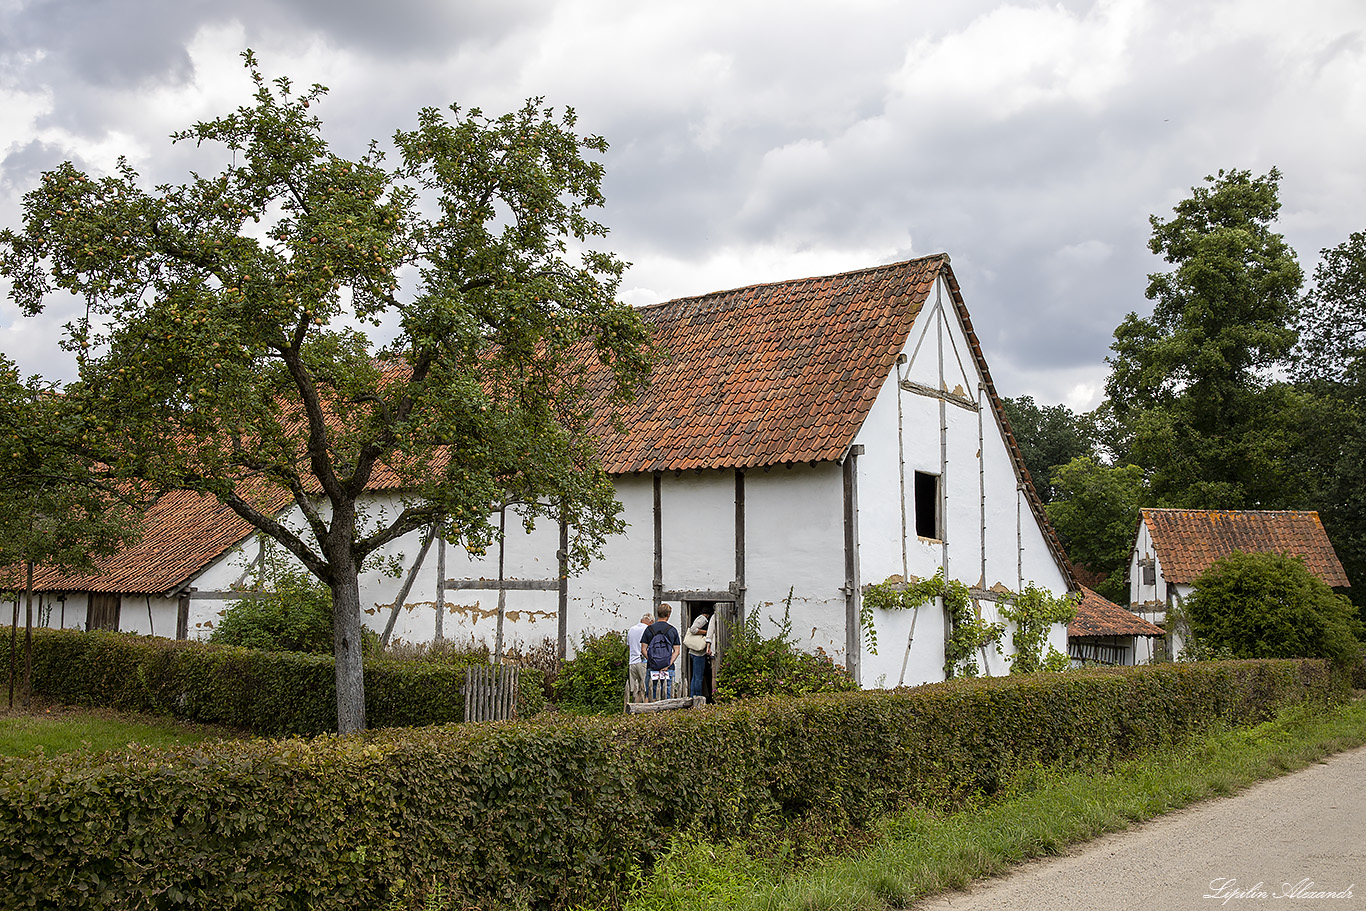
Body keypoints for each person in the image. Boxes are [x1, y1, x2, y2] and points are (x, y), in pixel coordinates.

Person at [640, 602, 682, 699]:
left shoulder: (649, 629)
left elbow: (643, 649)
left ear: (657, 614)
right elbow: (676, 651)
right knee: (668, 694)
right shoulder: (672, 630)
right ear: (668, 615)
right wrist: (668, 664)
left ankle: (653, 712)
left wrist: (653, 661)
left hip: (652, 667)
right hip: (668, 669)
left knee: (652, 693)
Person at [626, 613, 652, 703]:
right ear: (651, 621)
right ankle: (644, 711)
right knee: (645, 689)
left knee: (635, 690)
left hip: (632, 662)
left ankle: (635, 709)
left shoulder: (631, 629)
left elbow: (629, 646)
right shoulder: (648, 629)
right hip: (643, 661)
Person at [683, 613, 710, 699]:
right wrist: (706, 632)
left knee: (695, 676)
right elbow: (693, 629)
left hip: (694, 652)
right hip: (698, 653)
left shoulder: (700, 617)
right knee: (698, 677)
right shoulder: (702, 618)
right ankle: (697, 697)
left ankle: (692, 696)